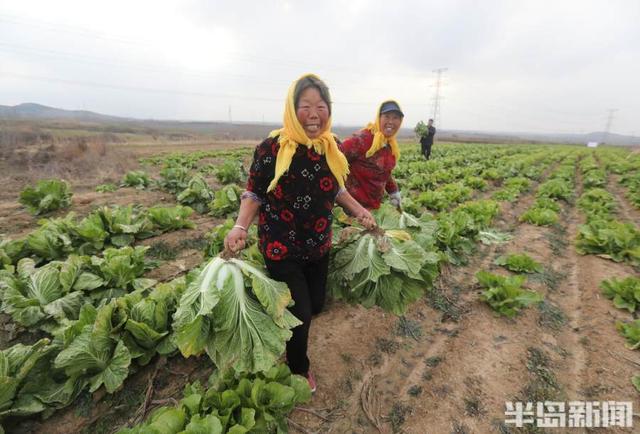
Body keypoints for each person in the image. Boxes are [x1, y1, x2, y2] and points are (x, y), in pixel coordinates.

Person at [224, 74, 375, 392]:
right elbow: (254, 194)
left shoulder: (330, 148)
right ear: (293, 110)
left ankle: (285, 316)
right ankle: (298, 368)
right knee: (302, 312)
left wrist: (360, 211)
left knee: (317, 304)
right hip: (282, 247)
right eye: (305, 106)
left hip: (318, 245)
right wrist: (240, 226)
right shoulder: (271, 149)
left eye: (320, 106)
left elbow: (338, 191)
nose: (314, 113)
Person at [339, 100, 404, 210]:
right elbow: (335, 158)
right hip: (350, 209)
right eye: (387, 116)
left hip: (372, 210)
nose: (391, 121)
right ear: (379, 118)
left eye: (395, 118)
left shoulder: (390, 145)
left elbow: (384, 172)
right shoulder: (362, 140)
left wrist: (393, 191)